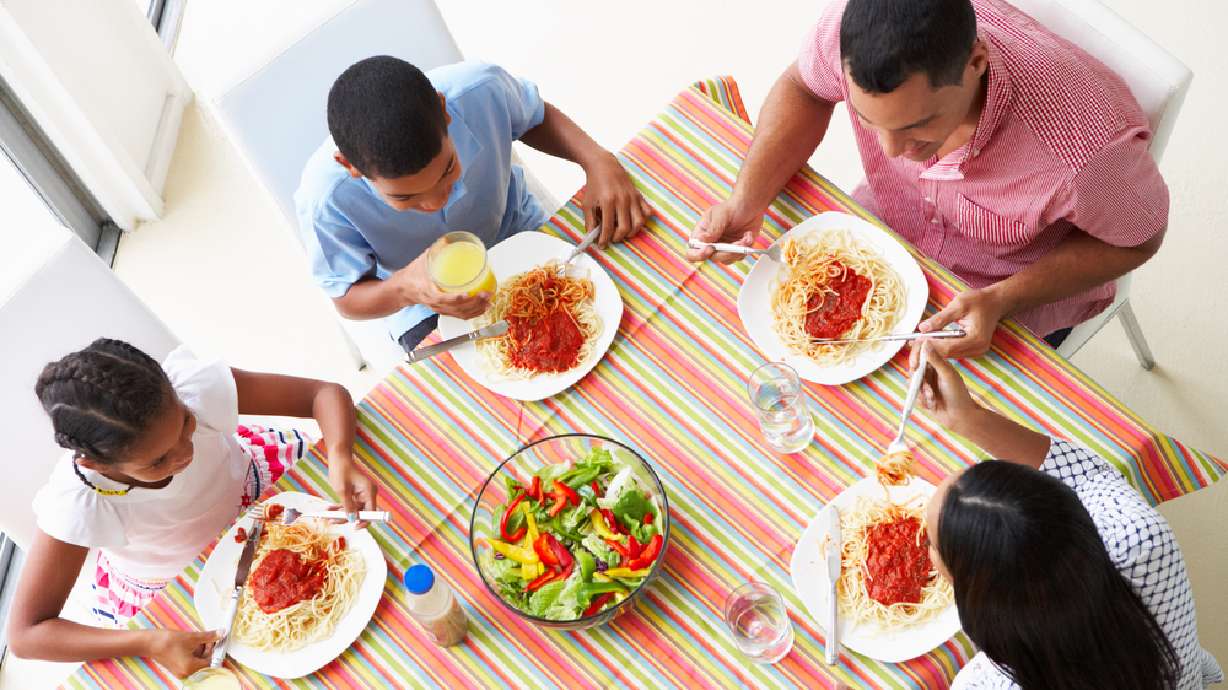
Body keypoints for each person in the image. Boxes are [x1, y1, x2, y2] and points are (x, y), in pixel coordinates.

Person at [689, 0, 1167, 355]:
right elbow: (804, 88)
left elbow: (1138, 241)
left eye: (917, 126)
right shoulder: (848, 29)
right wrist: (746, 203)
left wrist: (1001, 300)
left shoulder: (1088, 153)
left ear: (975, 63)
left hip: (1004, 292)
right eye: (869, 120)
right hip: (887, 228)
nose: (891, 150)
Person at [6, 339, 378, 678]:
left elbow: (322, 395)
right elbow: (27, 634)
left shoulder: (193, 389)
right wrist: (151, 642)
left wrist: (339, 456)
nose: (186, 452)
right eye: (158, 461)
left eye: (186, 423)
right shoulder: (82, 501)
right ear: (99, 466)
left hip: (259, 491)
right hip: (175, 577)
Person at [296, 56, 652, 352]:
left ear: (444, 110)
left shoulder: (481, 88)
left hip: (517, 230)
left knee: (618, 308)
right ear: (351, 167)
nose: (436, 201)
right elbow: (345, 297)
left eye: (447, 170)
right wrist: (405, 288)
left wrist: (597, 161)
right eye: (405, 197)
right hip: (425, 301)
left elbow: (535, 116)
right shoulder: (325, 200)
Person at [916, 349, 1221, 689]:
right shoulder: (1142, 539)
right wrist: (967, 417)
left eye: (930, 542)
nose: (923, 543)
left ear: (981, 597)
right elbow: (1086, 474)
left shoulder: (984, 684)